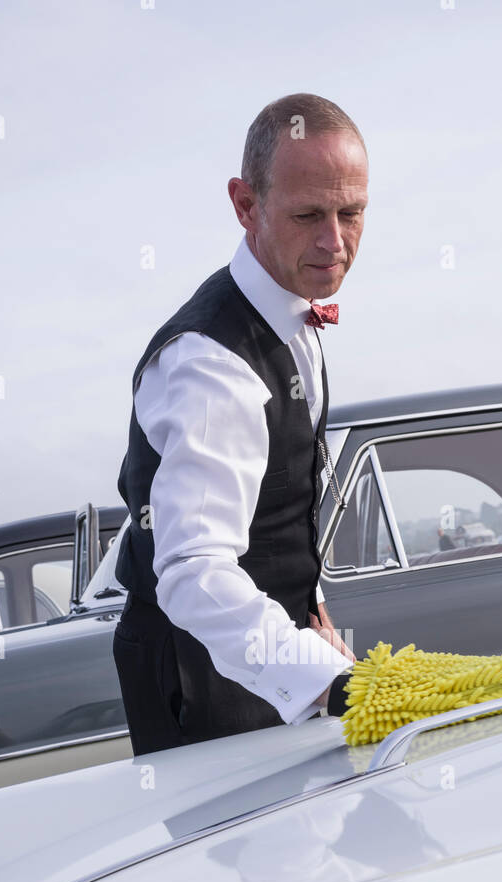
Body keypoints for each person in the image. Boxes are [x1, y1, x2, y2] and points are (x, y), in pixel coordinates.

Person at [113, 93, 367, 756]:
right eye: (308, 214)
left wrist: (309, 620)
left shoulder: (291, 307)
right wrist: (336, 684)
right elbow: (193, 568)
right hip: (202, 684)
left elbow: (272, 517)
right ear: (245, 205)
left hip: (269, 662)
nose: (333, 241)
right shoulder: (208, 360)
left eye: (351, 213)